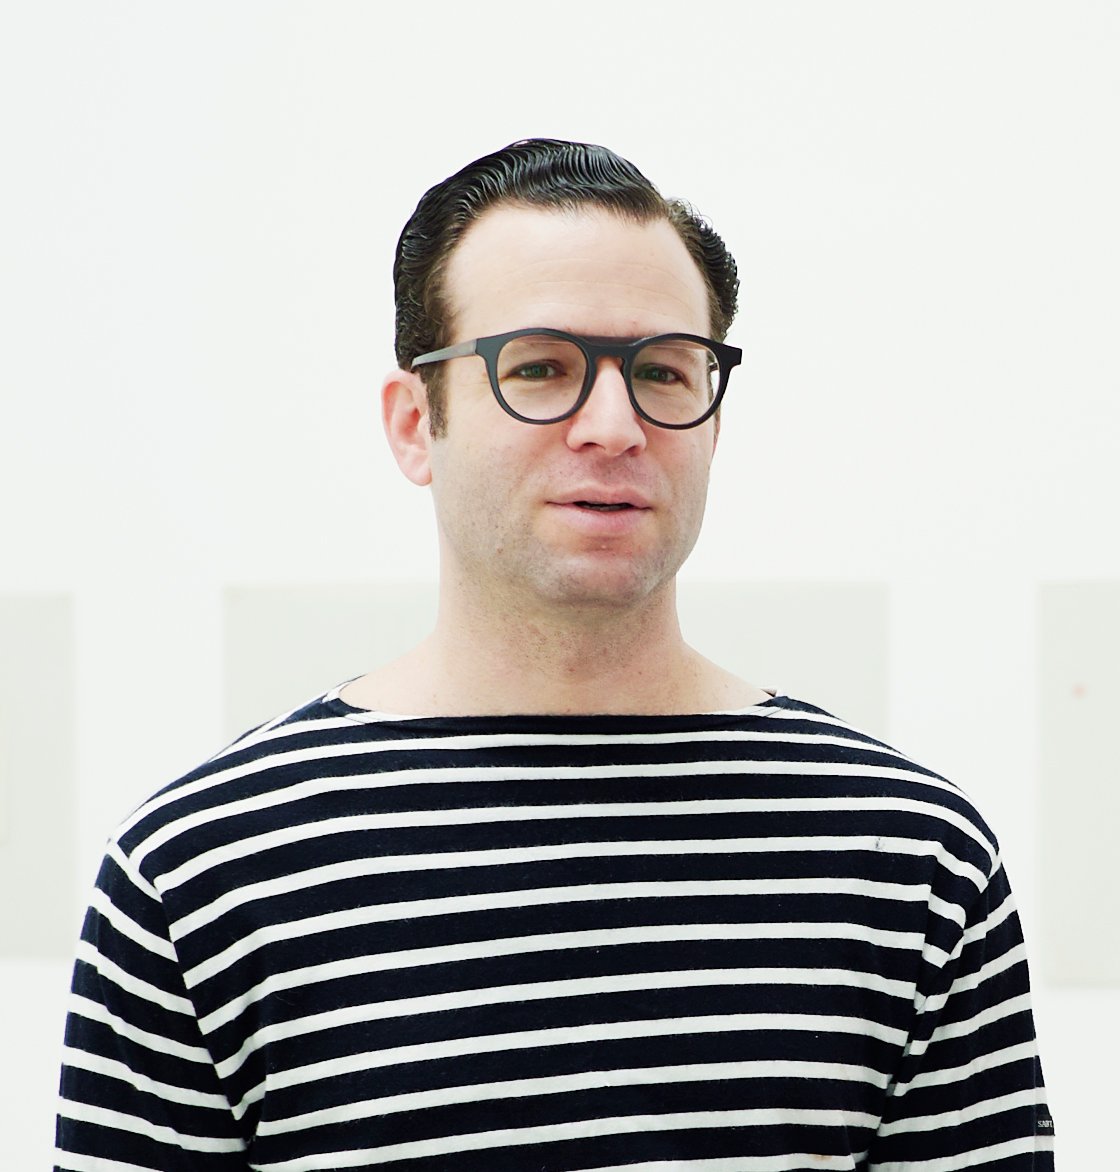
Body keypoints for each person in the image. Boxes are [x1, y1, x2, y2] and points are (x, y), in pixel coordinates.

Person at [55, 138, 1054, 1170]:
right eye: (540, 366)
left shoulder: (911, 856)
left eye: (664, 370)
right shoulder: (199, 868)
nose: (614, 425)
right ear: (413, 422)